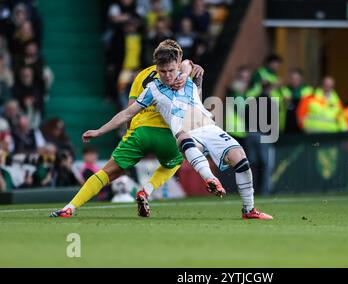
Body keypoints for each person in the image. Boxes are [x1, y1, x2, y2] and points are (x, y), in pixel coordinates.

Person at [80, 44, 272, 220]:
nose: (167, 75)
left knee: (241, 159)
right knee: (184, 140)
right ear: (157, 69)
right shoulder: (152, 89)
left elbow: (189, 66)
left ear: (177, 65)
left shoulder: (185, 72)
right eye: (162, 71)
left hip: (209, 127)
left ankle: (249, 210)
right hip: (184, 132)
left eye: (171, 70)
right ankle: (210, 179)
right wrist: (99, 131)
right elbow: (126, 114)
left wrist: (190, 74)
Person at [50, 40, 204, 218]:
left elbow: (129, 110)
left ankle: (70, 207)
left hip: (141, 132)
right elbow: (195, 101)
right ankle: (146, 191)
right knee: (176, 161)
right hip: (169, 135)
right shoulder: (183, 72)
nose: (168, 74)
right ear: (177, 59)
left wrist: (110, 132)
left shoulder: (142, 76)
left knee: (107, 173)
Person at [284, 68, 313, 133]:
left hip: (303, 124)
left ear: (301, 79)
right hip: (287, 125)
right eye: (292, 78)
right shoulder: (285, 89)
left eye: (297, 79)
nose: (294, 81)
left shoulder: (308, 90)